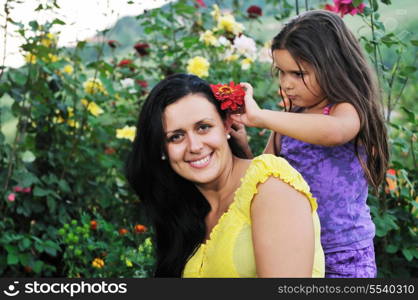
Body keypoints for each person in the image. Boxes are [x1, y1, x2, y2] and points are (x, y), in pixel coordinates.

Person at [231, 10, 389, 278]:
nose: (286, 84)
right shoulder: (290, 121)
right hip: (295, 253)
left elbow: (335, 132)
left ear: (333, 67)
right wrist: (242, 146)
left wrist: (261, 117)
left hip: (344, 256)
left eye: (298, 73)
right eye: (281, 72)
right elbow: (263, 177)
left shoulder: (346, 111)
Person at [126, 73, 324, 278]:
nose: (194, 146)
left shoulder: (270, 184)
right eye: (176, 137)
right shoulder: (186, 211)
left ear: (227, 125)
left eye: (203, 127)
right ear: (161, 149)